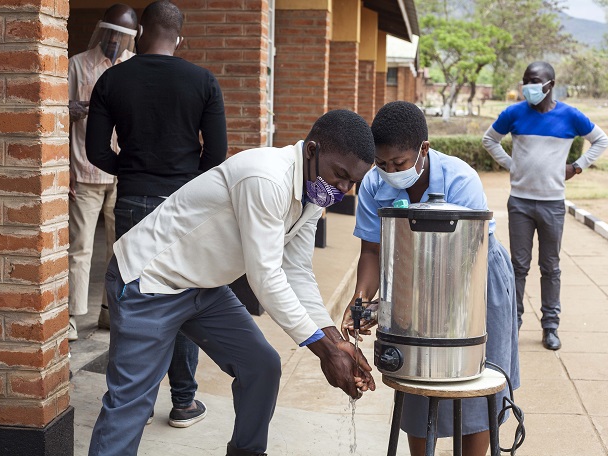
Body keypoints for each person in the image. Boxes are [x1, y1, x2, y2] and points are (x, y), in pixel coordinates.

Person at [86, 109, 377, 456]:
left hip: (202, 287)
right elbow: (265, 277)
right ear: (312, 150)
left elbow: (297, 270)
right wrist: (325, 351)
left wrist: (335, 341)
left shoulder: (314, 192)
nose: (343, 189)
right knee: (133, 400)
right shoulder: (267, 177)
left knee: (261, 366)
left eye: (352, 182)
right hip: (150, 282)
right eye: (340, 175)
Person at [341, 101, 520, 456]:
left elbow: (462, 262)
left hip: (474, 275)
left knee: (474, 380)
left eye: (399, 163)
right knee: (417, 378)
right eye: (381, 163)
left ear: (424, 149)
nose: (390, 172)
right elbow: (372, 252)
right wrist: (361, 300)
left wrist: (397, 304)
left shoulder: (460, 179)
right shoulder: (373, 185)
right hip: (410, 276)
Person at [85, 0, 228, 428]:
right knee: (181, 298)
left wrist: (131, 170)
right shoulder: (203, 81)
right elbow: (217, 155)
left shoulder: (112, 79)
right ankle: (183, 402)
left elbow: (95, 151)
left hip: (132, 202)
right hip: (184, 208)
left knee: (131, 302)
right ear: (178, 38)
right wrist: (187, 183)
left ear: (141, 33)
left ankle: (137, 404)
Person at [482, 61, 608, 350]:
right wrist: (512, 164)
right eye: (526, 80)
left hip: (553, 204)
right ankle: (512, 324)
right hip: (520, 203)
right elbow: (489, 140)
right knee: (518, 266)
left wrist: (577, 166)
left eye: (535, 81)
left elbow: (601, 140)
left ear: (550, 84)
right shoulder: (514, 113)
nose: (529, 86)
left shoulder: (570, 116)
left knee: (550, 267)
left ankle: (550, 326)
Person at [67, 3, 137, 341]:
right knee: (79, 248)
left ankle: (110, 314)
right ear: (102, 29)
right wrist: (71, 111)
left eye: (122, 36)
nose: (115, 41)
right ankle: (70, 317)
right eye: (111, 32)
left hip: (123, 175)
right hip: (85, 170)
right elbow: (56, 117)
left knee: (119, 249)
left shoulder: (134, 66)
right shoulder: (78, 65)